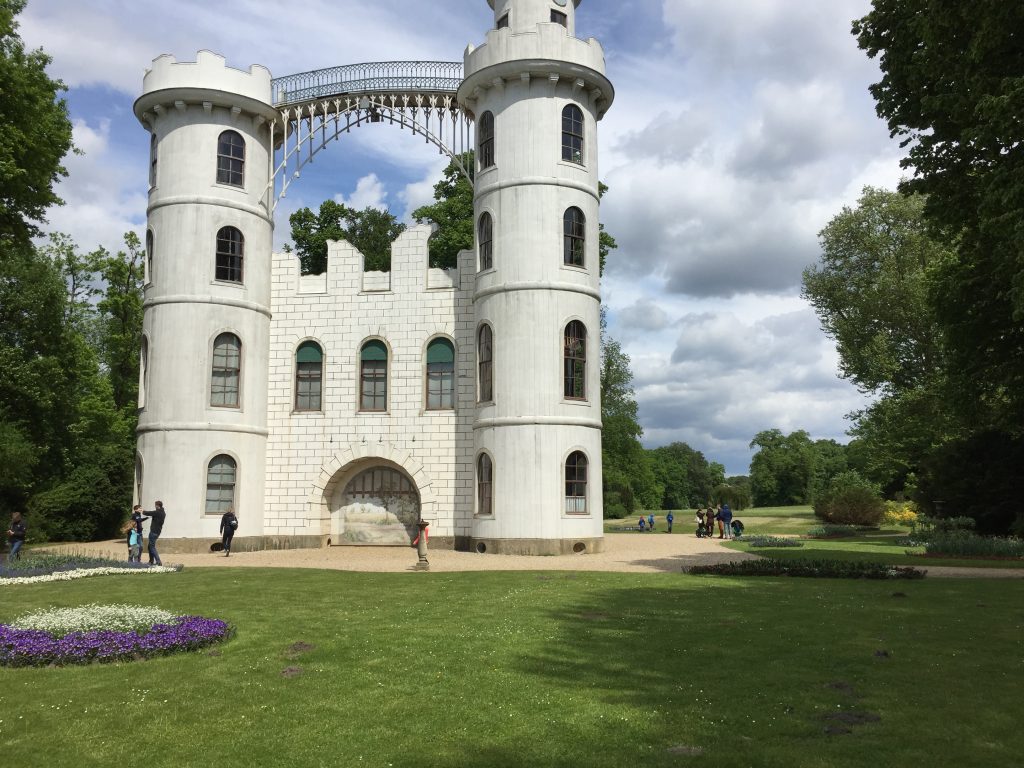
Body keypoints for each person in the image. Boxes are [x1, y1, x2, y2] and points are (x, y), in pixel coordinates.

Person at [146, 501, 166, 566]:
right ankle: (151, 561)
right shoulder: (163, 513)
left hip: (154, 531)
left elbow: (148, 513)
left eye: (155, 505)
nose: (155, 506)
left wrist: (142, 511)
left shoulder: (157, 512)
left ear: (157, 505)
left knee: (152, 547)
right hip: (158, 531)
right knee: (150, 546)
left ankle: (158, 561)